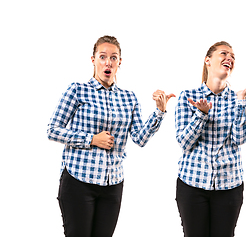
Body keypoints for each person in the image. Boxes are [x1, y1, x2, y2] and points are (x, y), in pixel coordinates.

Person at [47, 35, 175, 237]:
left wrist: (159, 111)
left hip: (112, 185)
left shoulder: (128, 98)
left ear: (119, 62)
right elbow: (53, 129)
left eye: (114, 57)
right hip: (78, 182)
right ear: (93, 60)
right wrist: (92, 139)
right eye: (103, 56)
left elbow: (140, 138)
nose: (108, 62)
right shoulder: (77, 90)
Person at [175, 41, 246, 237]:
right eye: (224, 53)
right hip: (192, 185)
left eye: (232, 56)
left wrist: (241, 101)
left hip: (229, 187)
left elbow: (240, 138)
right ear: (208, 60)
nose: (229, 58)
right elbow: (184, 142)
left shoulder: (237, 99)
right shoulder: (187, 97)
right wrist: (201, 114)